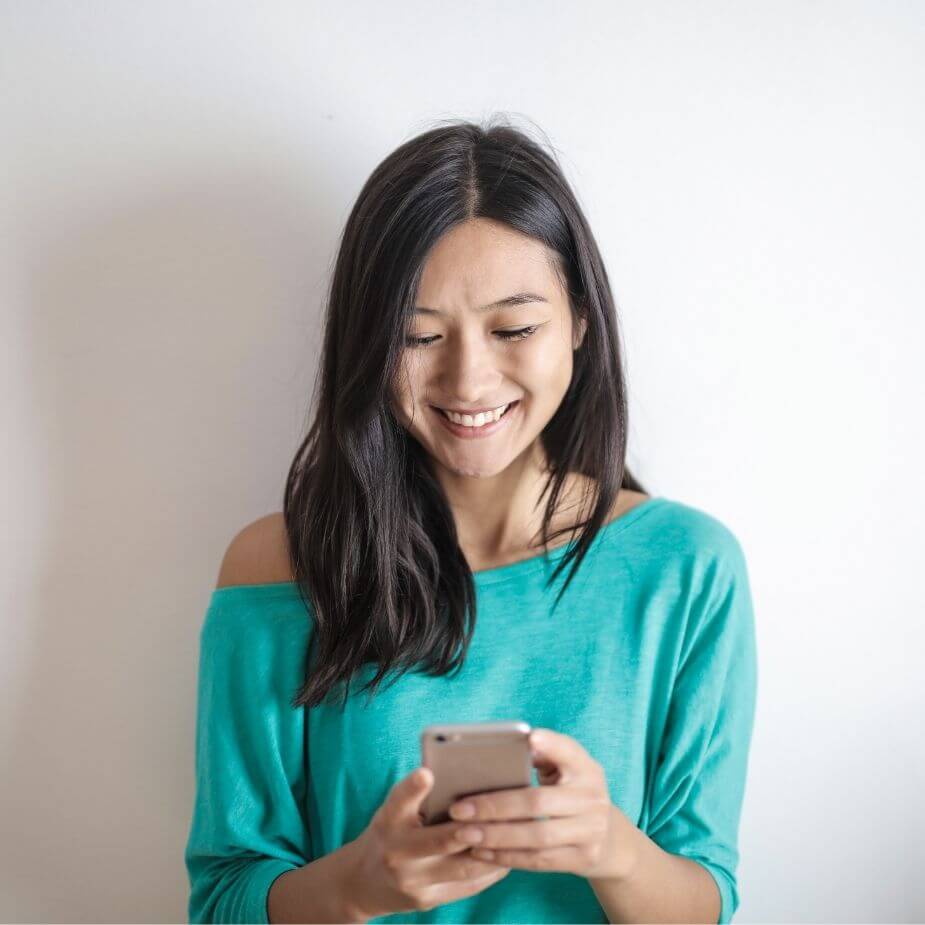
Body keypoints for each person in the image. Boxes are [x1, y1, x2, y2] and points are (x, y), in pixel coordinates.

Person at [184, 118, 757, 925]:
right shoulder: (279, 566)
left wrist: (611, 849)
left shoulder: (685, 568)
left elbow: (704, 903)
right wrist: (357, 884)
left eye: (514, 328)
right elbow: (221, 902)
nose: (468, 377)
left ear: (580, 325)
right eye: (418, 336)